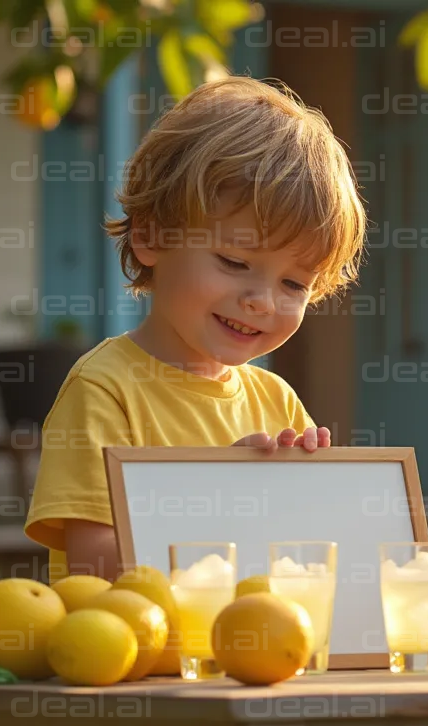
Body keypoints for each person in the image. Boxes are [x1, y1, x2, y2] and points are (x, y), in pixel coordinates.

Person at [23, 76, 366, 584]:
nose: (261, 300)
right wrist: (216, 499)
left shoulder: (279, 403)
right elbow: (93, 567)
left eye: (294, 283)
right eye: (233, 261)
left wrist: (320, 506)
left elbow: (304, 561)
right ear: (151, 236)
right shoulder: (105, 390)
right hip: (138, 658)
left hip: (254, 656)